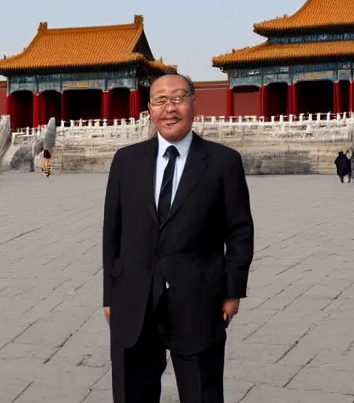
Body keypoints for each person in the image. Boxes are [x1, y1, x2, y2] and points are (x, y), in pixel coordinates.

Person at [103, 73, 254, 403]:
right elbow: (111, 233)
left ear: (193, 105)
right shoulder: (126, 161)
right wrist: (109, 295)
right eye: (160, 100)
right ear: (149, 108)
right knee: (132, 391)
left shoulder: (223, 162)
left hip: (198, 296)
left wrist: (232, 291)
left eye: (178, 98)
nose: (169, 108)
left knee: (201, 391)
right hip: (134, 298)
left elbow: (240, 232)